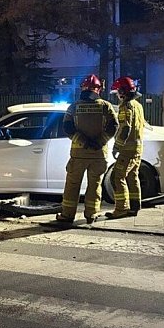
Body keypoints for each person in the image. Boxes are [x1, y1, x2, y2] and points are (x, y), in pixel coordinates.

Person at [56, 74, 118, 224]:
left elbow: (67, 128)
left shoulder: (74, 107)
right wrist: (99, 142)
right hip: (98, 154)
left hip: (79, 154)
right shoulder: (105, 106)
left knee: (72, 185)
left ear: (83, 88)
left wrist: (84, 142)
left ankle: (67, 215)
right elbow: (113, 126)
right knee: (95, 185)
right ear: (98, 89)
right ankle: (91, 214)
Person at [105, 77, 145, 219]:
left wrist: (117, 147)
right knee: (132, 176)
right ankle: (135, 206)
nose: (116, 95)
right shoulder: (138, 106)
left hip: (127, 149)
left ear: (122, 92)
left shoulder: (125, 106)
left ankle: (121, 208)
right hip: (137, 148)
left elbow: (125, 128)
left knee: (117, 177)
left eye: (117, 92)